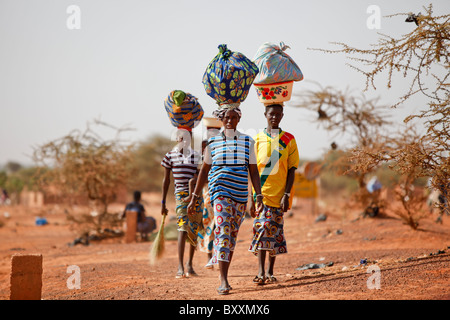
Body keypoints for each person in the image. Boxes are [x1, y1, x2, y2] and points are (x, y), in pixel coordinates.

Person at [187, 105, 264, 295]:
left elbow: (253, 171)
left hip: (239, 195)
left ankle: (224, 273)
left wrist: (257, 196)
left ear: (239, 119)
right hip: (219, 193)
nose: (229, 120)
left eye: (233, 117)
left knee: (231, 237)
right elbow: (204, 171)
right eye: (226, 117)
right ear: (221, 120)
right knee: (222, 232)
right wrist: (194, 197)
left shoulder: (247, 142)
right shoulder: (212, 143)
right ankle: (223, 280)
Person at [248, 103, 299, 285]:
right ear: (265, 115)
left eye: (278, 114)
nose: (274, 117)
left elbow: (292, 170)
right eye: (271, 114)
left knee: (275, 232)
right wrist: (251, 198)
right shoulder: (257, 139)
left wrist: (287, 194)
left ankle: (269, 271)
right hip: (261, 194)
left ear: (282, 115)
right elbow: (251, 171)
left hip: (280, 195)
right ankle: (260, 271)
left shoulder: (289, 140)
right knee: (262, 229)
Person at [161, 128, 203, 278]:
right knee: (182, 228)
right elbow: (166, 181)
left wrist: (193, 191)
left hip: (196, 196)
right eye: (181, 138)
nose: (184, 140)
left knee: (194, 229)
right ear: (177, 138)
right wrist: (163, 202)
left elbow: (200, 177)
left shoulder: (196, 156)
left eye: (187, 138)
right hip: (180, 196)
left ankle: (190, 265)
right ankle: (180, 266)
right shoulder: (170, 156)